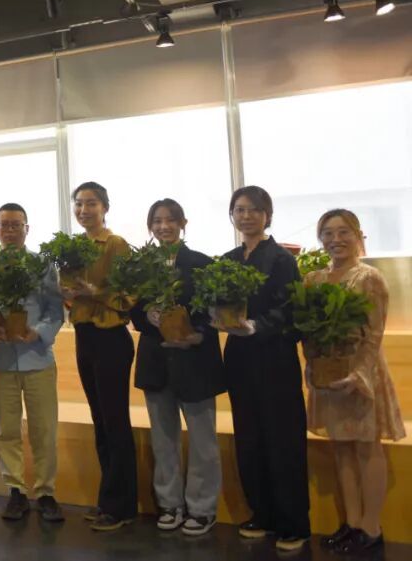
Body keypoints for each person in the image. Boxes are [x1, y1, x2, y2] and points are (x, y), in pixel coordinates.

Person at [305, 209, 404, 554]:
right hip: (328, 374)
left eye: (343, 232)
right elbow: (309, 332)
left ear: (358, 235)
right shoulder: (314, 280)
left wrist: (359, 374)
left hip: (362, 374)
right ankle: (352, 522)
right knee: (341, 447)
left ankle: (372, 529)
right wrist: (311, 366)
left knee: (366, 447)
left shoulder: (369, 278)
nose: (335, 239)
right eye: (328, 233)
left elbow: (374, 334)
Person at [127, 199, 224, 536]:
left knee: (202, 441)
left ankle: (202, 507)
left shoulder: (201, 264)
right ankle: (170, 503)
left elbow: (215, 312)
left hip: (196, 362)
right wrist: (147, 316)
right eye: (157, 220)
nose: (163, 226)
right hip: (156, 362)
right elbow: (134, 312)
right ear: (150, 227)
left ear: (183, 223)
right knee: (162, 438)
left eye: (170, 220)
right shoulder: (140, 267)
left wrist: (198, 334)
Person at [221, 185, 309, 552]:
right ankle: (262, 513)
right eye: (240, 210)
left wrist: (258, 325)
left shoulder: (281, 259)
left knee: (282, 439)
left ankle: (293, 523)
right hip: (240, 359)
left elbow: (292, 310)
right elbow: (218, 301)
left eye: (254, 210)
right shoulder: (228, 259)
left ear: (267, 215)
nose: (246, 216)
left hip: (275, 358)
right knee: (249, 437)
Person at [0, 203, 65, 523]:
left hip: (38, 358)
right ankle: (15, 491)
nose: (10, 231)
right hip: (1, 360)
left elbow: (56, 311)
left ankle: (46, 492)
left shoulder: (42, 266)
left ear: (27, 229)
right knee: (6, 430)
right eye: (4, 225)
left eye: (16, 225)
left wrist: (38, 332)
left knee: (44, 429)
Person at [61, 181, 136, 532]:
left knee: (115, 422)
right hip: (85, 335)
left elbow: (129, 296)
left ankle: (122, 506)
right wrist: (66, 293)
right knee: (100, 421)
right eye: (79, 203)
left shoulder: (115, 244)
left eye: (91, 203)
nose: (84, 210)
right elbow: (71, 297)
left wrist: (93, 292)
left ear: (105, 207)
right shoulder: (74, 247)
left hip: (111, 337)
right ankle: (109, 499)